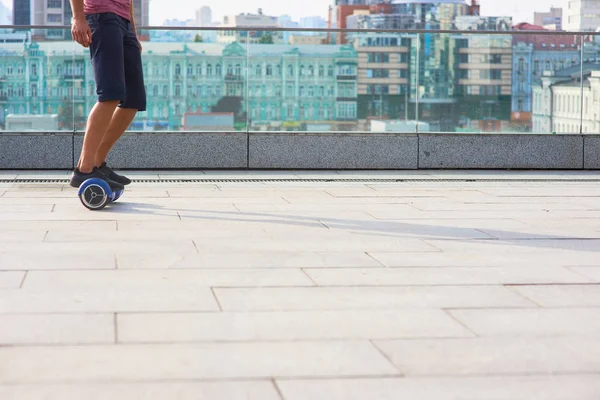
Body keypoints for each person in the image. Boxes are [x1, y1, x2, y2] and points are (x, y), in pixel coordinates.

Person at [68, 0, 146, 190]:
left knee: (133, 99)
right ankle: (84, 169)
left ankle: (97, 163)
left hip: (124, 22)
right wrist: (78, 17)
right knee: (109, 94)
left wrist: (133, 32)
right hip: (101, 16)